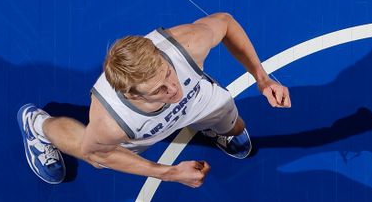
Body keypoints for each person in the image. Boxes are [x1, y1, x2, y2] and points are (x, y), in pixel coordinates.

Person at [17, 12, 291, 187]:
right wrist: (169, 173)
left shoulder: (187, 44)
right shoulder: (111, 122)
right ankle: (37, 125)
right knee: (94, 155)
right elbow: (95, 152)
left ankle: (216, 130)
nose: (174, 89)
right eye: (160, 89)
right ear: (132, 94)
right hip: (137, 134)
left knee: (231, 121)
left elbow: (226, 23)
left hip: (201, 100)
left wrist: (262, 77)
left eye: (169, 74)